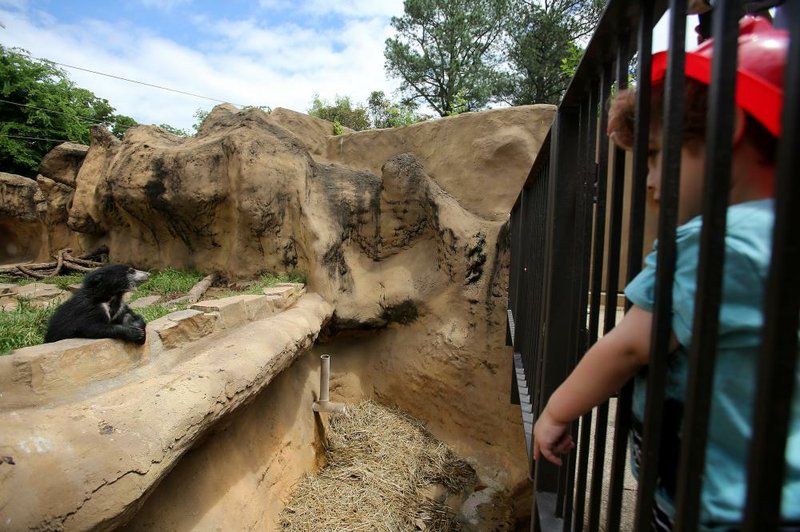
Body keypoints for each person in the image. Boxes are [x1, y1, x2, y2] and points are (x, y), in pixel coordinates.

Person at [532, 16, 799, 530]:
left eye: (653, 156)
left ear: (728, 129)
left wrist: (556, 412)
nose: (649, 180)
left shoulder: (709, 246)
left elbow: (630, 345)